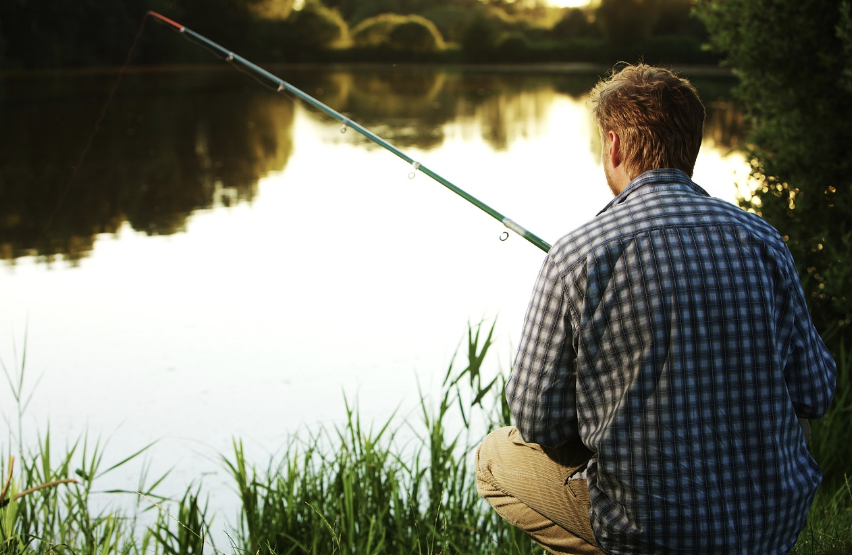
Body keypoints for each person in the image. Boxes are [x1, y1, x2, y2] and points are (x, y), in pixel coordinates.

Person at [475, 63, 836, 555]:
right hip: (770, 529)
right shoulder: (763, 239)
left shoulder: (577, 253)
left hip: (648, 532)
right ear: (693, 146)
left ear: (615, 145)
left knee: (494, 458)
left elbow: (537, 418)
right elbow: (816, 391)